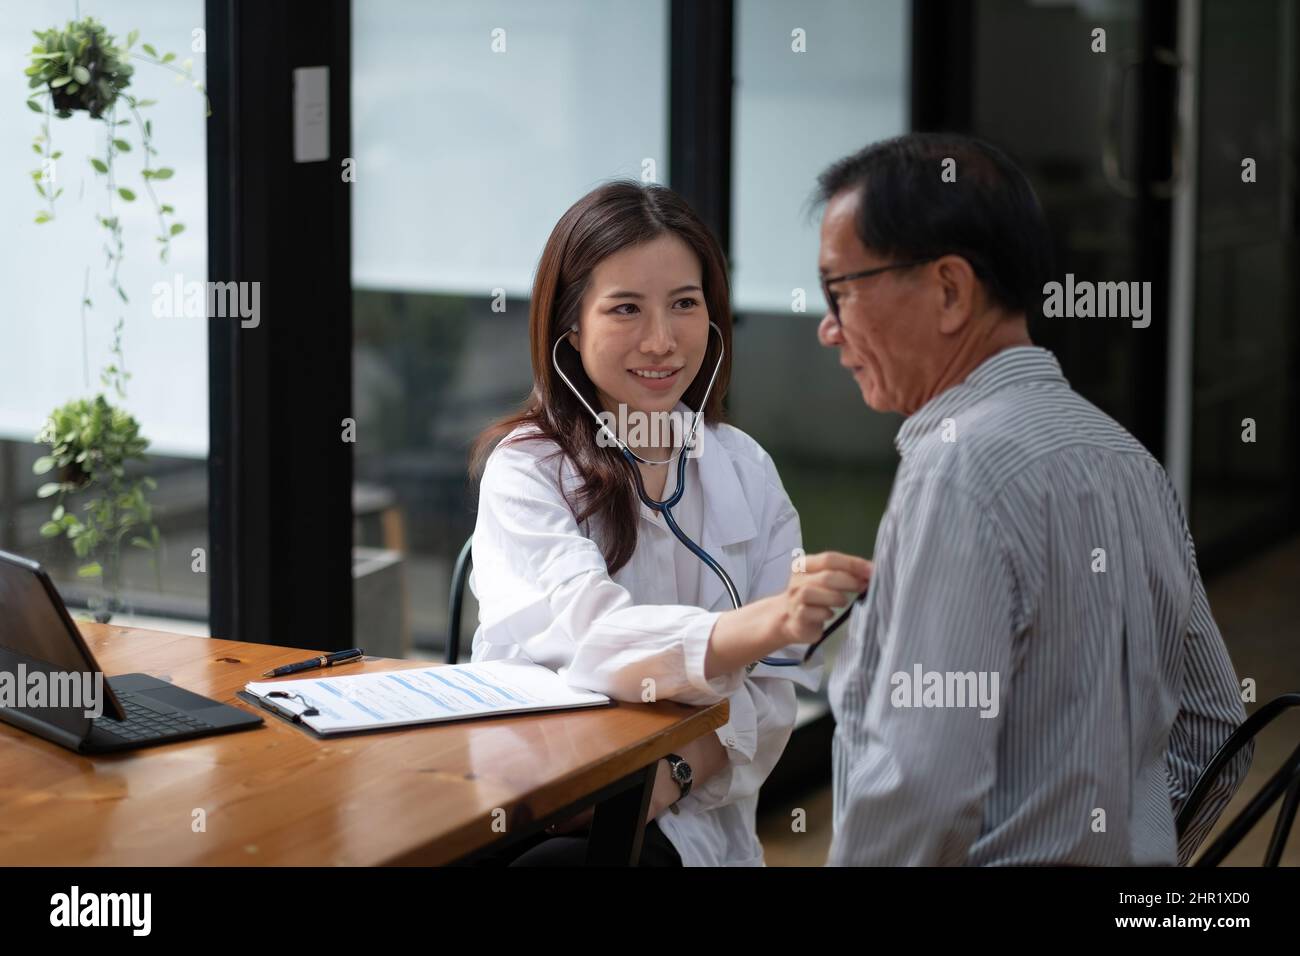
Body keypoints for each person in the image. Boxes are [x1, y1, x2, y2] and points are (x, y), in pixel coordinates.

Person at [810, 132, 1252, 865]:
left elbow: (920, 788)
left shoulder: (958, 471)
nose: (828, 328)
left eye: (840, 291)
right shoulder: (1129, 459)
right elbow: (1216, 732)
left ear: (949, 290)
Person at [468, 180, 871, 865]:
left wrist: (670, 775)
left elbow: (778, 689)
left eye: (684, 304)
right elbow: (594, 638)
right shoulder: (528, 467)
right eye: (625, 309)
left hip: (692, 822)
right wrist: (759, 626)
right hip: (544, 806)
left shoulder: (744, 468)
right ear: (571, 326)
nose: (661, 341)